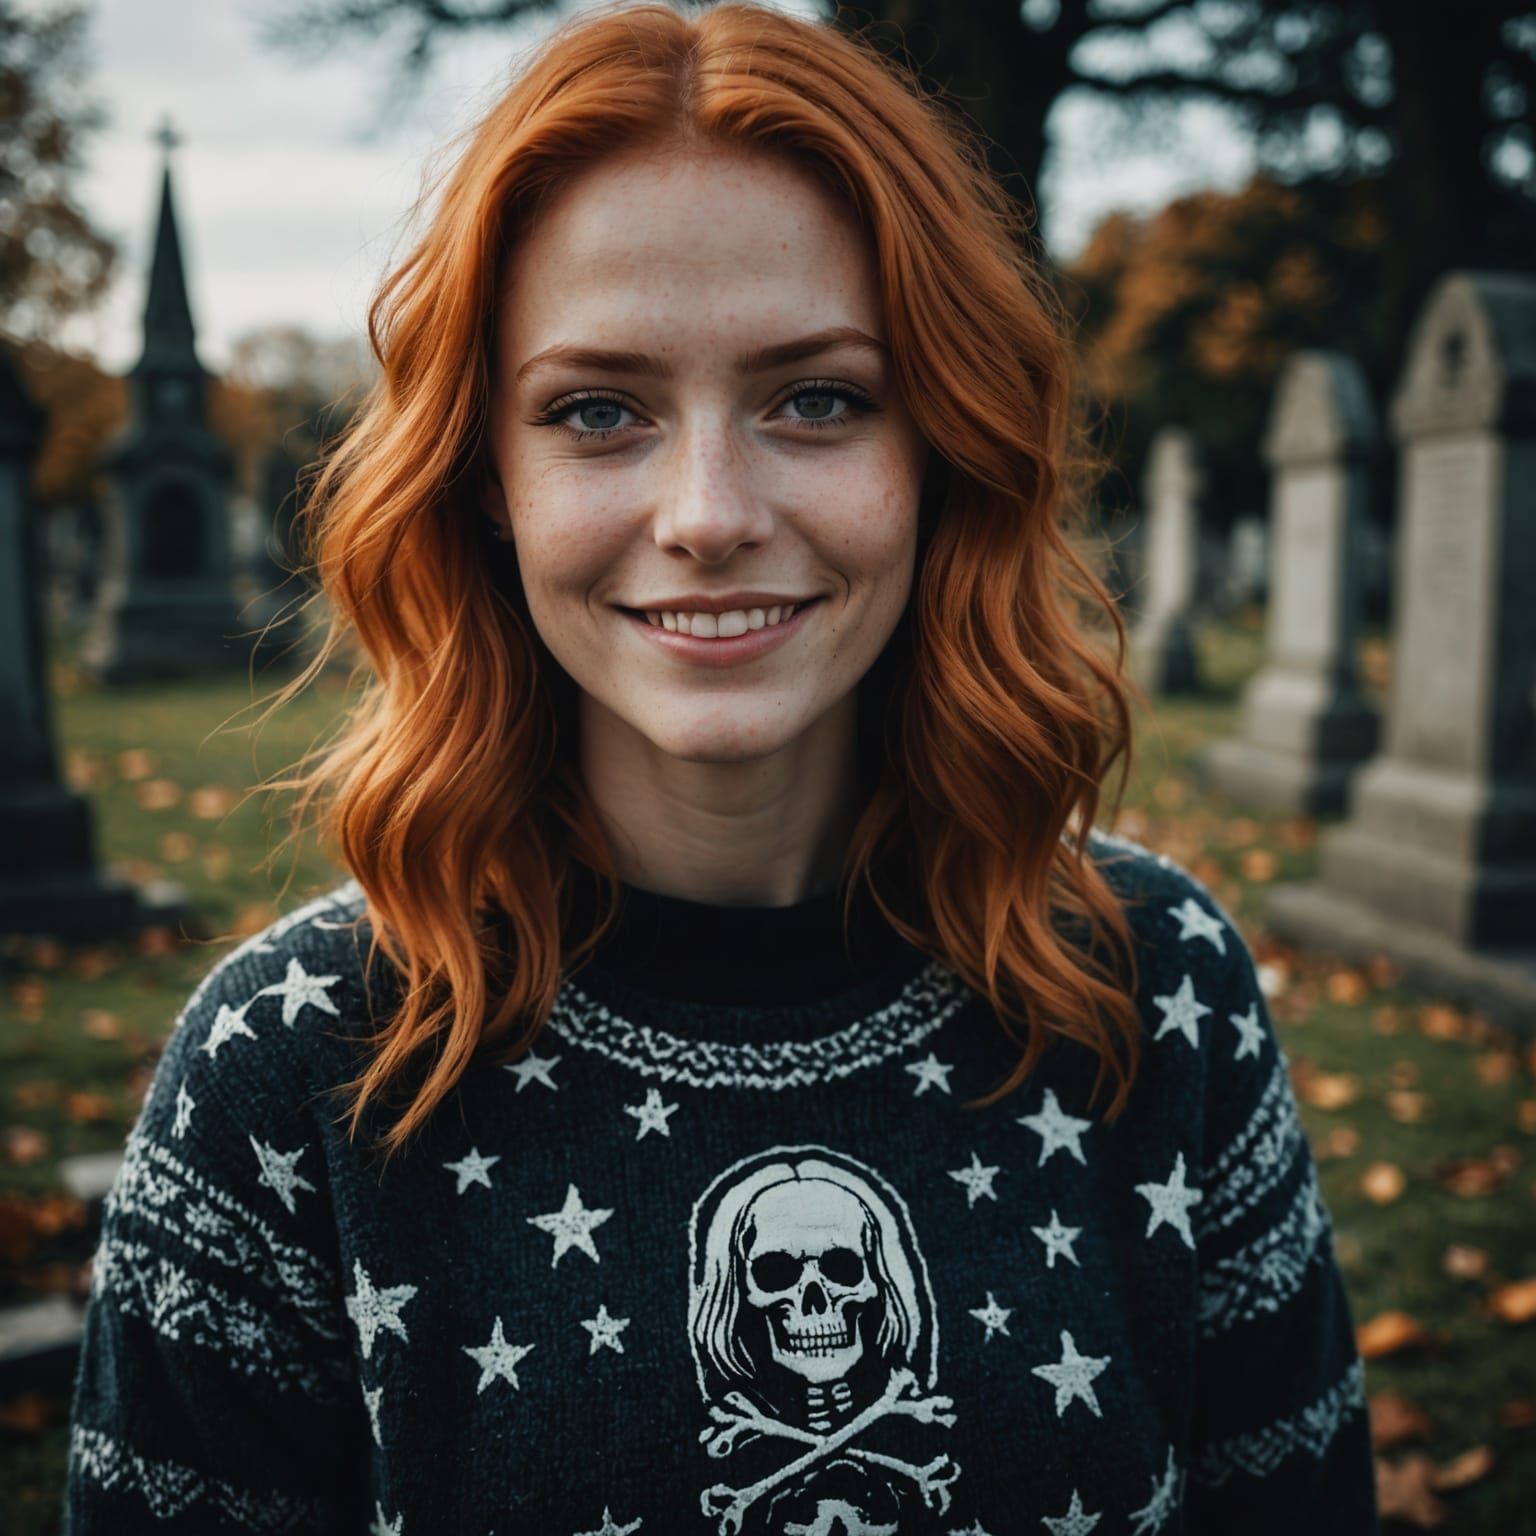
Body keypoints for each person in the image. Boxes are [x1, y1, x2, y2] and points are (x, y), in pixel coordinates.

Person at [63, 2, 1379, 1532]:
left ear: (938, 444)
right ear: (488, 478)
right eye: (598, 411)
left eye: (816, 397)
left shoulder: (1159, 991)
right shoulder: (287, 1072)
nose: (707, 512)